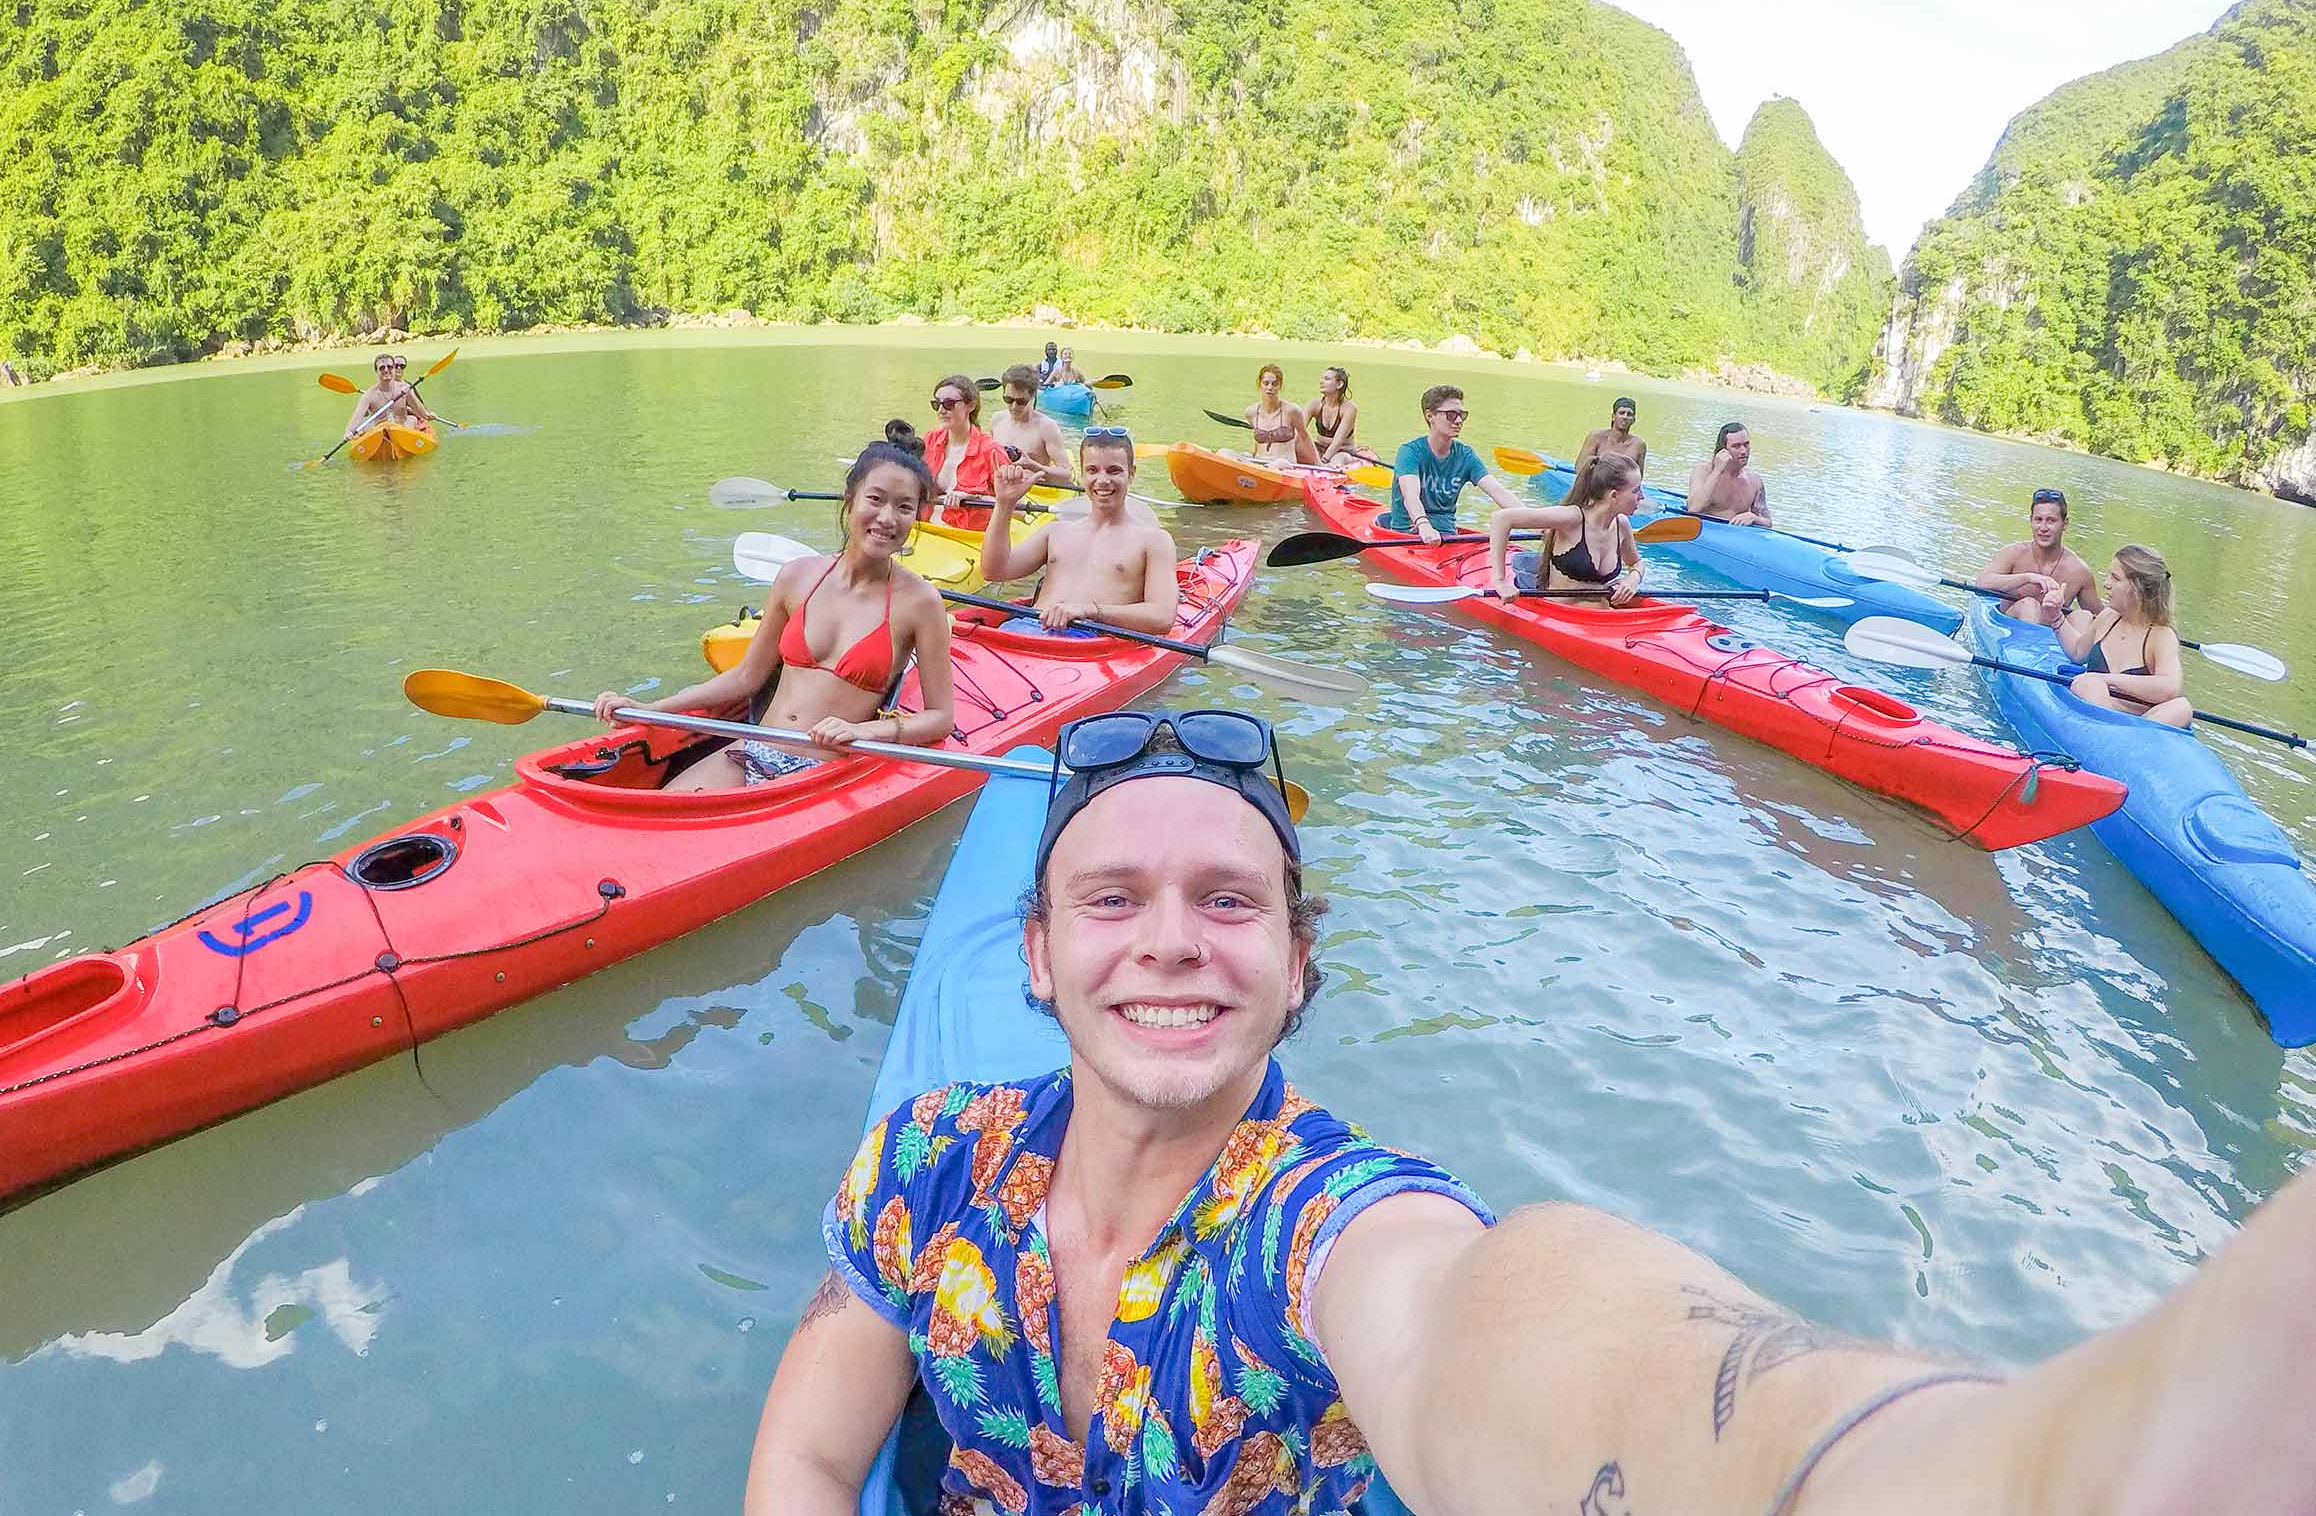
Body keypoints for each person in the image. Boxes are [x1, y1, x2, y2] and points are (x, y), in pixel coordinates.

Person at [745, 707, 2316, 1516]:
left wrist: (1982, 1466)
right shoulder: (931, 1156)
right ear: (1035, 953)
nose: (1168, 940)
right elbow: (813, 1458)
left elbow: (1494, 1323)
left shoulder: (1321, 1226)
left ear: (1301, 967)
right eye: (1111, 897)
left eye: (1231, 900)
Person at [592, 444, 956, 791]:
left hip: (829, 769)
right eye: (875, 500)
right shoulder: (797, 576)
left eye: (904, 507)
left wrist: (866, 731)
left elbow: (940, 717)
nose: (887, 518)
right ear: (850, 499)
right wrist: (651, 709)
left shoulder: (921, 603)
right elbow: (747, 677)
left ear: (917, 515)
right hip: (754, 750)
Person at [981, 432, 1179, 635]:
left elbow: (1162, 617)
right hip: (1025, 628)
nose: (1102, 480)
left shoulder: (1154, 540)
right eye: (1092, 470)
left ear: (1131, 474)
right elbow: (993, 571)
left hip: (1088, 640)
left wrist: (1088, 610)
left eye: (1114, 471)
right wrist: (1004, 504)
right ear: (1083, 475)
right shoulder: (1055, 530)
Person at [2046, 544, 2194, 728]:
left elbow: (2169, 688)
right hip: (2093, 714)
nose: (2106, 583)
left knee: (2181, 707)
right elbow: (2077, 653)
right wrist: (2056, 617)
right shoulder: (2108, 617)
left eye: (2115, 578)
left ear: (2137, 588)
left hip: (2137, 726)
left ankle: (2120, 739)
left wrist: (2106, 679)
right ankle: (2106, 732)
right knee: (2089, 685)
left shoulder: (2161, 635)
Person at [1487, 454, 1645, 605]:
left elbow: (1636, 563)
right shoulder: (1572, 518)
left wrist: (1632, 579)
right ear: (1614, 495)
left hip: (1599, 614)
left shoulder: (1621, 524)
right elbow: (1501, 519)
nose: (1642, 497)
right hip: (1560, 615)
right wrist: (1500, 581)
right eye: (1636, 490)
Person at [1376, 384, 1521, 545]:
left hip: (1448, 537)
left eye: (1462, 415)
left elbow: (1498, 491)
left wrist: (1539, 522)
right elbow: (1410, 497)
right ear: (1430, 416)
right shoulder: (1409, 452)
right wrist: (1423, 524)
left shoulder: (1466, 455)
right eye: (1451, 414)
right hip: (1409, 536)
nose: (1459, 420)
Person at [1974, 488, 2099, 624]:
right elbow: (1982, 583)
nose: (2043, 527)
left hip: (2051, 636)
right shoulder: (2012, 553)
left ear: (2065, 524)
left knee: (2083, 616)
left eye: (2051, 521)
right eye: (2038, 520)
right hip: (2009, 631)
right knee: (2029, 605)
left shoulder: (2079, 572)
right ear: (2031, 521)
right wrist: (2027, 578)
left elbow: (2101, 617)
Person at [923, 374, 1005, 532]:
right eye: (937, 404)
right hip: (927, 531)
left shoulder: (991, 450)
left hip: (968, 537)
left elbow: (1016, 507)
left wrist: (973, 497)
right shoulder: (929, 440)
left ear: (971, 405)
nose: (941, 410)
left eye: (949, 404)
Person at [992, 364, 1076, 483]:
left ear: (1032, 396)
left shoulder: (1047, 427)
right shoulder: (997, 420)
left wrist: (1033, 466)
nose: (1014, 406)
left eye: (1021, 401)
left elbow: (1066, 475)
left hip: (1032, 491)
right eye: (1009, 400)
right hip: (1000, 487)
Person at [1685, 421, 1772, 527]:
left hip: (1736, 536)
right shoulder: (1703, 472)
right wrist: (1718, 471)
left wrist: (1753, 517)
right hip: (1708, 532)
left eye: (1746, 444)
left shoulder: (1755, 480)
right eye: (1736, 446)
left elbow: (1768, 522)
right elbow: (1693, 509)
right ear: (1723, 450)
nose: (1744, 451)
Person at [341, 353, 435, 441]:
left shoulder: (405, 389)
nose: (386, 370)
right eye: (382, 368)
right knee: (367, 426)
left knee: (412, 419)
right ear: (376, 372)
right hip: (380, 432)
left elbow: (421, 413)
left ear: (394, 369)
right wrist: (348, 432)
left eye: (390, 367)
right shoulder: (369, 395)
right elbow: (356, 418)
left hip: (403, 429)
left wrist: (428, 415)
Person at [1245, 363, 1318, 466]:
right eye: (1266, 383)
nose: (1270, 387)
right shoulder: (1251, 412)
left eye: (1274, 384)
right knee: (1225, 452)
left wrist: (1319, 463)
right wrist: (1250, 455)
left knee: (1279, 463)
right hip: (1260, 462)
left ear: (1280, 386)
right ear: (1259, 384)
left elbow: (1305, 437)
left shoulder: (1292, 410)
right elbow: (1257, 442)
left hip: (1284, 464)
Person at [1306, 365, 1372, 465]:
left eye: (1327, 379)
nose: (1321, 381)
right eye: (1322, 378)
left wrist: (1323, 461)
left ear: (1339, 384)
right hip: (1319, 449)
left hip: (1341, 452)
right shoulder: (1314, 404)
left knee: (1338, 460)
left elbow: (1338, 441)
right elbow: (1298, 431)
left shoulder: (1349, 408)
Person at [1573, 395, 1646, 474]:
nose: (1625, 417)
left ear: (1633, 420)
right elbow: (1579, 468)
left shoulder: (1639, 445)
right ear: (1613, 417)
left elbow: (1638, 477)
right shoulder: (1596, 436)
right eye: (1621, 413)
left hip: (1621, 484)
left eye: (1629, 414)